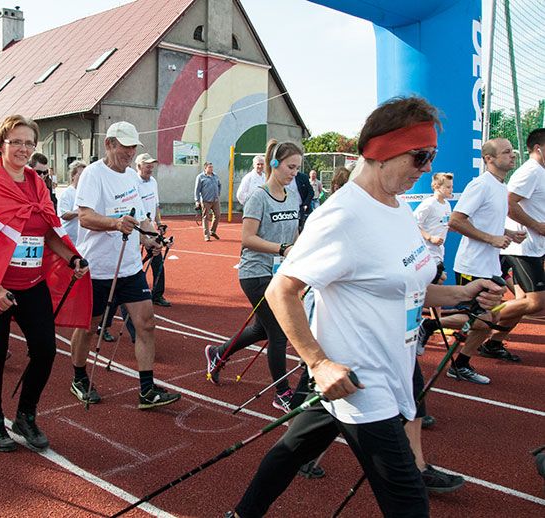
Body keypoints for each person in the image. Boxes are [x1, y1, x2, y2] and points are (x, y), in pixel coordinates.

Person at [226, 97, 504, 518]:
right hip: (362, 381)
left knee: (290, 451)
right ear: (382, 151)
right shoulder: (342, 216)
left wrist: (464, 294)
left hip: (384, 372)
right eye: (421, 156)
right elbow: (281, 291)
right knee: (410, 502)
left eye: (431, 156)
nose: (427, 167)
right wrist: (318, 364)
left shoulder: (398, 209)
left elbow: (407, 289)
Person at [0, 115, 90, 453]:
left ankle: (25, 416)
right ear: (1, 144)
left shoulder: (36, 184)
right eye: (16, 142)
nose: (23, 148)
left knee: (46, 350)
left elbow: (48, 230)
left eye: (29, 143)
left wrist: (71, 258)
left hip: (32, 283)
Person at [68, 121, 180, 409]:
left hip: (129, 268)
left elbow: (141, 219)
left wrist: (151, 238)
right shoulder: (93, 174)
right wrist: (115, 224)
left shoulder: (131, 177)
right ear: (109, 144)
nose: (130, 153)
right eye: (125, 147)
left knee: (146, 324)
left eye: (133, 147)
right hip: (97, 268)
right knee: (89, 328)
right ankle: (79, 378)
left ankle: (147, 389)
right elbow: (85, 217)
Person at [204, 140, 303, 412]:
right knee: (278, 331)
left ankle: (217, 353)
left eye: (297, 168)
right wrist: (281, 248)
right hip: (256, 274)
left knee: (262, 329)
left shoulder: (292, 196)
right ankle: (282, 393)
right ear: (274, 164)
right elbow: (247, 239)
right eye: (290, 167)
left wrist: (298, 254)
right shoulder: (258, 197)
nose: (294, 172)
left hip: (279, 273)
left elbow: (294, 234)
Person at [440, 138, 525, 382]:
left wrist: (508, 234)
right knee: (482, 320)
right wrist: (491, 239)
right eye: (506, 152)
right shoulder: (480, 185)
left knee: (493, 317)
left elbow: (486, 222)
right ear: (489, 159)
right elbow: (456, 221)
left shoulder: (500, 186)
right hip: (472, 264)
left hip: (489, 265)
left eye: (512, 151)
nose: (512, 155)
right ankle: (430, 326)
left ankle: (461, 364)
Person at [482, 128, 545, 358]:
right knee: (536, 303)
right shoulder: (531, 171)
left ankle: (493, 343)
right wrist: (536, 225)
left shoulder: (540, 172)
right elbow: (509, 203)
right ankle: (474, 319)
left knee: (523, 301)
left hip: (533, 246)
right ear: (538, 148)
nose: (512, 155)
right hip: (522, 247)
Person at [136, 152, 170, 307]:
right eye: (147, 165)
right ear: (139, 166)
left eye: (152, 165)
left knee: (157, 260)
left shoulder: (153, 182)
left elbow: (156, 204)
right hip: (136, 229)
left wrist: (159, 222)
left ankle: (157, 294)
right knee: (134, 262)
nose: (150, 168)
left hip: (150, 228)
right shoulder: (133, 182)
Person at [414, 173, 453, 284]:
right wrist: (430, 237)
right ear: (436, 186)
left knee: (439, 280)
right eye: (448, 187)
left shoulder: (447, 204)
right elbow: (412, 223)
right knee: (439, 280)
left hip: (439, 252)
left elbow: (443, 224)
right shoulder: (429, 204)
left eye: (452, 186)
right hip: (427, 252)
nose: (451, 190)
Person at [58, 160, 86, 244]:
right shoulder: (67, 193)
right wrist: (80, 211)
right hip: (70, 239)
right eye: (80, 174)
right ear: (73, 176)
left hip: (83, 240)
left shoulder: (87, 192)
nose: (83, 177)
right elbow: (64, 215)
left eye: (85, 175)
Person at [194, 161, 222, 241]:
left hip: (215, 200)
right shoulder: (200, 177)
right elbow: (197, 190)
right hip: (206, 200)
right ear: (205, 168)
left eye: (212, 167)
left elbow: (219, 185)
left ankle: (212, 231)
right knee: (206, 217)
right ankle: (207, 235)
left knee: (218, 215)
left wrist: (218, 193)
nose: (211, 169)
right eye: (210, 167)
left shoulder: (215, 176)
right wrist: (197, 201)